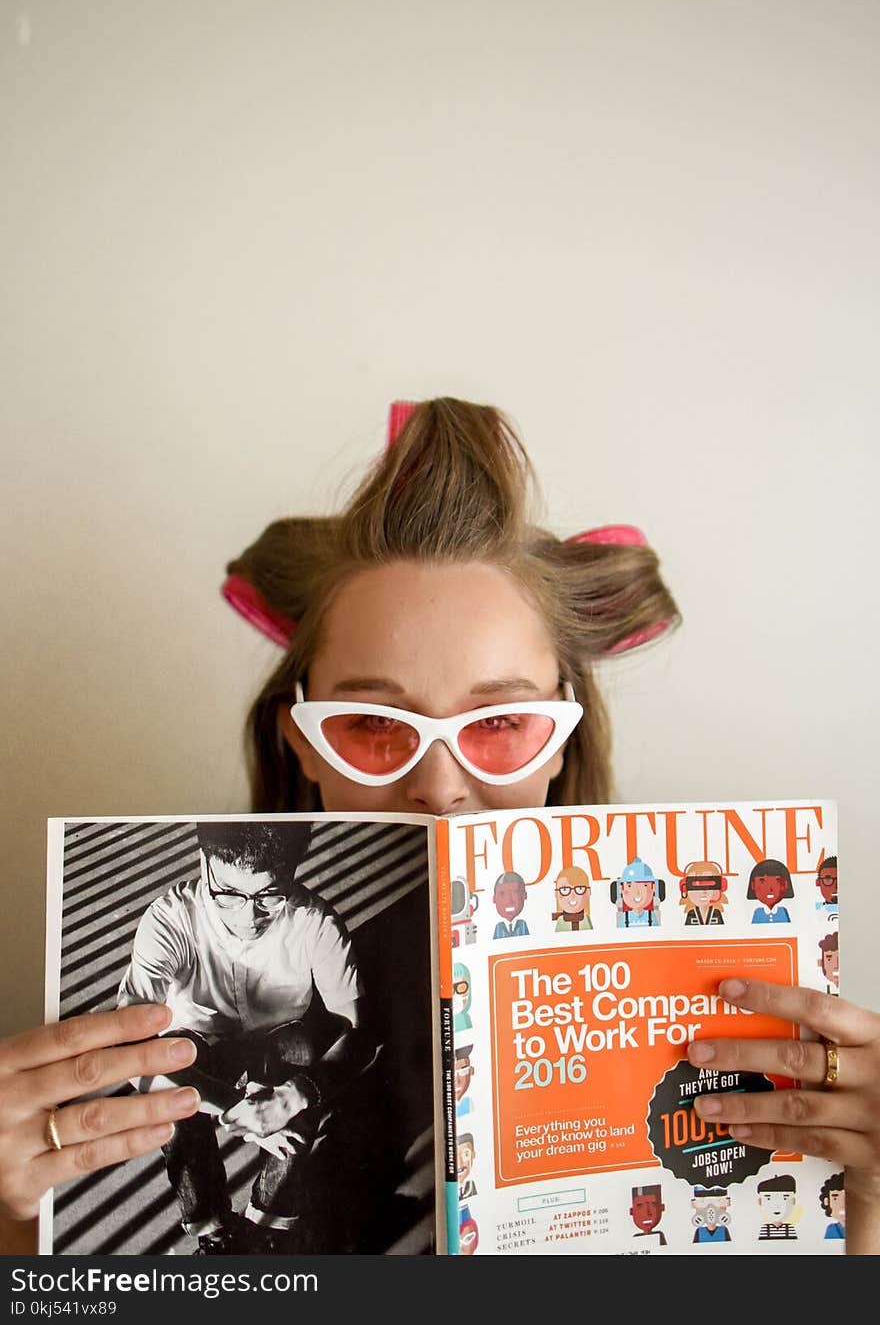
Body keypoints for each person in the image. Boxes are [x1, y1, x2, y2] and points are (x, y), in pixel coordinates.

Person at [2, 396, 880, 1257]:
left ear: (559, 742)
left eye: (499, 723)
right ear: (299, 741)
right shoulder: (214, 929)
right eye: (374, 724)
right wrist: (14, 1232)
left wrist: (865, 1226)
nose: (440, 787)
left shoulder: (733, 981)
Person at [115, 820, 377, 1254]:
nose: (247, 916)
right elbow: (128, 1050)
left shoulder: (314, 919)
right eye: (228, 895)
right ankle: (212, 1231)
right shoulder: (170, 919)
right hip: (201, 1046)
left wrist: (296, 1094)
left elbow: (360, 1030)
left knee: (305, 1053)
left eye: (269, 896)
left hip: (278, 1044)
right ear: (203, 861)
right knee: (172, 1069)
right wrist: (234, 1110)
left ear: (293, 872)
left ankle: (271, 1224)